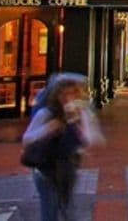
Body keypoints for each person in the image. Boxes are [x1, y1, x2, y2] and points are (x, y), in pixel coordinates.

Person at [21, 73, 103, 220]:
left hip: (67, 168)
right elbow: (27, 139)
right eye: (64, 94)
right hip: (45, 168)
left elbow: (91, 139)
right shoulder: (47, 113)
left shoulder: (82, 113)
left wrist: (79, 124)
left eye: (73, 93)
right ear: (57, 95)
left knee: (68, 209)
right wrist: (47, 129)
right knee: (50, 210)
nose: (68, 98)